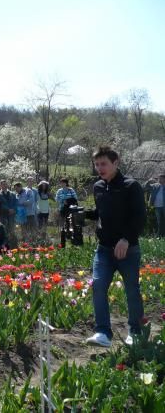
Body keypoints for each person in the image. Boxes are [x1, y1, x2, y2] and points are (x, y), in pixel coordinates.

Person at [85, 146, 146, 348]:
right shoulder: (98, 187)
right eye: (96, 164)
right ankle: (103, 332)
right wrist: (83, 213)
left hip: (128, 250)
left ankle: (135, 332)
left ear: (116, 163)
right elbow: (100, 212)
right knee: (99, 285)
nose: (99, 168)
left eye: (103, 164)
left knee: (132, 290)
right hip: (104, 249)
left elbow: (140, 217)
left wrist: (127, 239)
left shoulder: (131, 186)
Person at [0, 180, 17, 244]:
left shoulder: (13, 194)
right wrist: (8, 210)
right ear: (0, 185)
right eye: (3, 184)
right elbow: (0, 205)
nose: (4, 185)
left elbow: (15, 203)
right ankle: (5, 244)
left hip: (12, 215)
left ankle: (12, 244)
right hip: (3, 215)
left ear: (7, 185)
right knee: (4, 230)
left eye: (5, 184)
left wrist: (13, 209)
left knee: (12, 229)